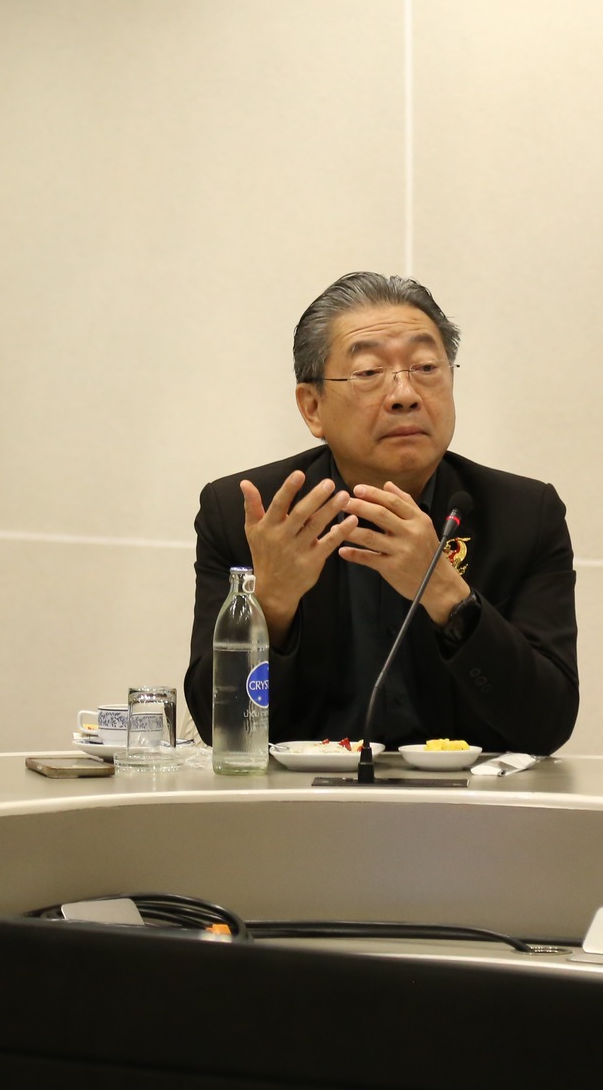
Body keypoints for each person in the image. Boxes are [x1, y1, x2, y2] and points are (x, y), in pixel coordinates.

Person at [183, 273, 579, 756]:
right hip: (297, 798)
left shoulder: (523, 515)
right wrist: (272, 604)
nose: (405, 394)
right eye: (369, 372)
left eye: (426, 367)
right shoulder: (251, 517)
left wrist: (447, 595)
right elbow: (217, 728)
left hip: (472, 800)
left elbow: (547, 724)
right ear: (313, 407)